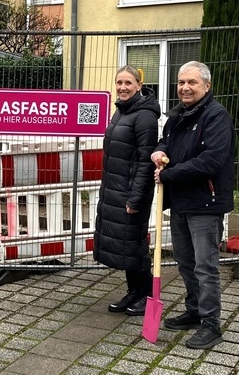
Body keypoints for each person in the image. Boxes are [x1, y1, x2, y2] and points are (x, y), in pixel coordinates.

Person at [151, 61, 235, 349]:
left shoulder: (216, 116)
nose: (185, 88)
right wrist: (160, 152)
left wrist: (169, 174)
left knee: (205, 266)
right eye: (181, 82)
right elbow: (165, 141)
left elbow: (211, 161)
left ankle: (211, 325)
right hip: (181, 202)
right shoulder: (178, 116)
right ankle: (195, 311)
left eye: (192, 83)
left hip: (205, 203)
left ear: (206, 86)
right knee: (186, 263)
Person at [93, 65, 160, 316]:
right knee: (125, 246)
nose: (122, 87)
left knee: (135, 246)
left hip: (132, 194)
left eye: (128, 83)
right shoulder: (120, 112)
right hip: (115, 191)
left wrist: (136, 197)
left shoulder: (145, 116)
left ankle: (148, 296)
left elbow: (145, 160)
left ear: (139, 86)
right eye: (119, 82)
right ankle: (134, 292)